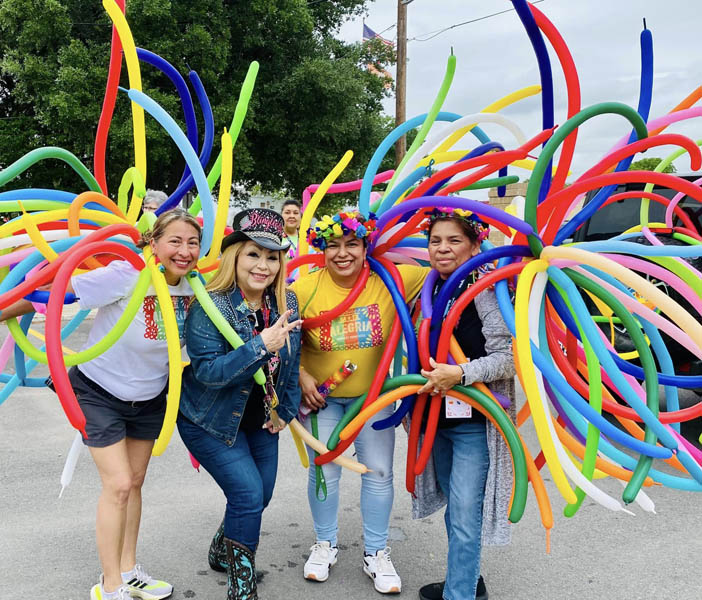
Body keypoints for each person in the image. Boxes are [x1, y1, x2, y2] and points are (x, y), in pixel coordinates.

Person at [1, 208, 203, 600]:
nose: (184, 250)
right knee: (119, 484)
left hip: (150, 396)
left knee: (136, 483)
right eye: (174, 241)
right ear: (154, 243)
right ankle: (110, 585)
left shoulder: (196, 288)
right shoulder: (126, 274)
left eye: (192, 242)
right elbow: (56, 293)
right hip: (97, 392)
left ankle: (129, 570)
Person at [290, 210, 427, 595]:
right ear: (321, 249)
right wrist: (301, 377)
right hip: (321, 401)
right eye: (332, 246)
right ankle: (324, 544)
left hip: (376, 398)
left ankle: (377, 552)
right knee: (324, 472)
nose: (342, 253)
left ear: (367, 246)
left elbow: (446, 264)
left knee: (379, 473)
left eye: (352, 244)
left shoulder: (392, 280)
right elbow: (285, 342)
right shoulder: (304, 289)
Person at [177, 208, 302, 600]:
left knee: (259, 495)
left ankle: (221, 550)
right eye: (253, 254)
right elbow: (210, 372)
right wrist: (261, 346)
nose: (263, 265)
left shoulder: (288, 301)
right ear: (235, 256)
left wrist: (286, 410)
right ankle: (241, 590)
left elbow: (293, 364)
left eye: (272, 256)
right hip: (209, 420)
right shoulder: (210, 306)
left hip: (260, 418)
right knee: (248, 495)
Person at [414, 208, 516, 600]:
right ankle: (467, 578)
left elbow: (508, 357)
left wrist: (459, 373)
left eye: (454, 240)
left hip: (476, 420)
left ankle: (460, 593)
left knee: (463, 514)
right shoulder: (430, 286)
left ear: (475, 244)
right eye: (436, 240)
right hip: (436, 419)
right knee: (458, 510)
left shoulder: (487, 290)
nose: (443, 248)